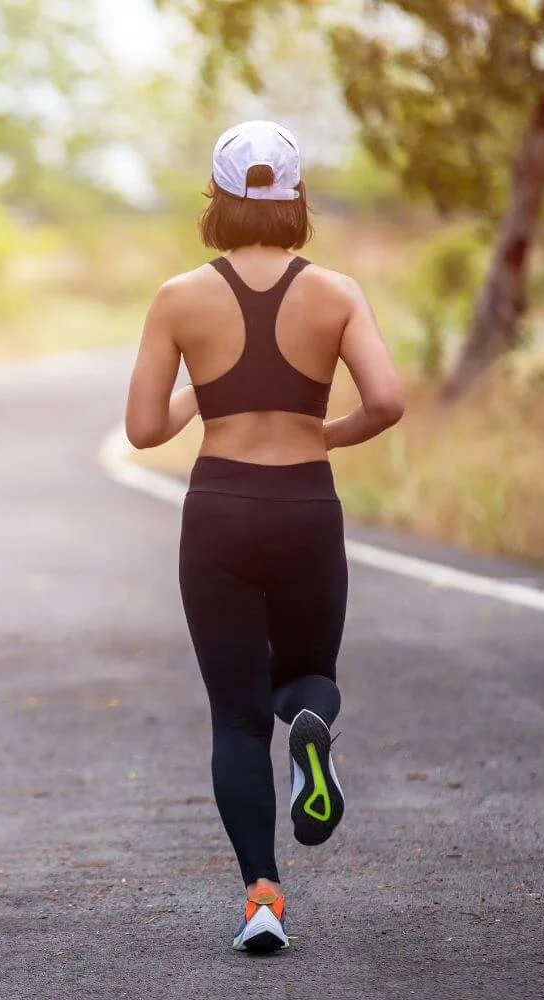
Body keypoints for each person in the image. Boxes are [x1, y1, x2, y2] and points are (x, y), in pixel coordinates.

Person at [124, 120, 405, 953]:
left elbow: (142, 430)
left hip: (218, 511)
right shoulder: (338, 292)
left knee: (236, 720)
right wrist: (325, 433)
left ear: (216, 200)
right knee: (309, 674)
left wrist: (206, 395)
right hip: (304, 507)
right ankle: (312, 731)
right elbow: (386, 400)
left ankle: (261, 898)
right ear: (296, 200)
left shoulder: (179, 297)